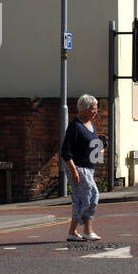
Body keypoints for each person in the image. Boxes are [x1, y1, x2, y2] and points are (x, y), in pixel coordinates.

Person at [61, 94, 105, 242]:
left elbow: (93, 144)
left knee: (86, 198)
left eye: (96, 108)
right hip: (78, 167)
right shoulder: (75, 126)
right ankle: (79, 230)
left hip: (89, 168)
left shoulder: (91, 125)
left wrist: (100, 151)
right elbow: (65, 152)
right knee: (89, 196)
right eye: (93, 108)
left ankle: (80, 231)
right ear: (85, 109)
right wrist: (73, 171)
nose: (95, 111)